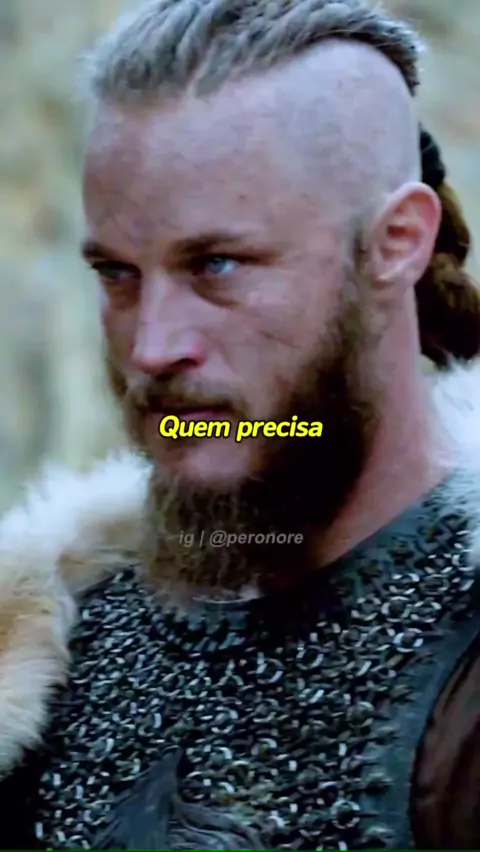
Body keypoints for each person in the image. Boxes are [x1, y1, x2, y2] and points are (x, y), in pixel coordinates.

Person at [2, 0, 480, 848]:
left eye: (217, 265)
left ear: (397, 242)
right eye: (117, 274)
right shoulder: (44, 658)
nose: (151, 348)